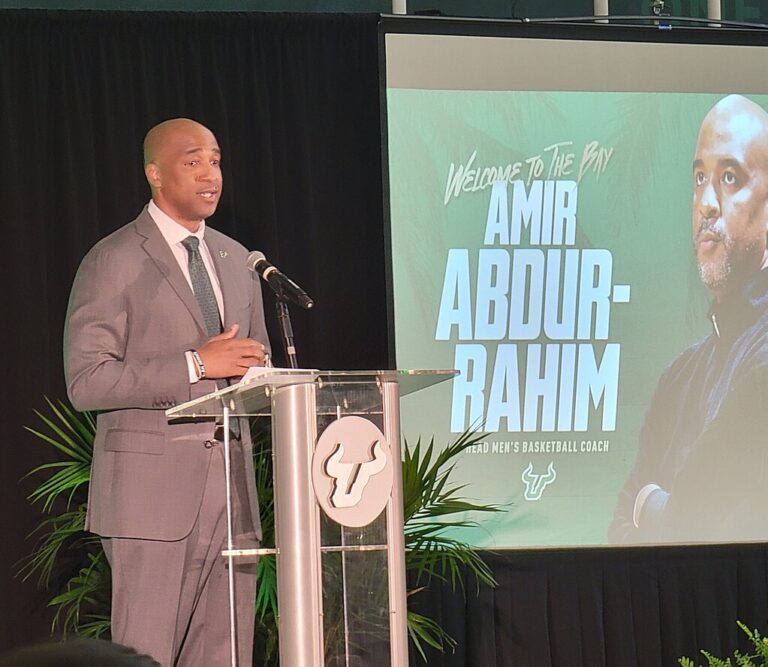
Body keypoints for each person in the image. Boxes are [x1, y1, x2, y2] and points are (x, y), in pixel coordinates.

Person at [64, 118, 271, 665]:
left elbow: (252, 361)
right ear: (155, 174)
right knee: (145, 653)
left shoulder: (238, 259)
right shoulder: (113, 259)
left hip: (233, 494)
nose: (211, 174)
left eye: (216, 160)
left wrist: (261, 374)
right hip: (151, 500)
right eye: (193, 161)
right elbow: (87, 381)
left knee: (227, 652)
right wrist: (196, 363)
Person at [609, 94, 768, 544]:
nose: (707, 203)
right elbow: (620, 532)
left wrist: (653, 506)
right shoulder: (678, 378)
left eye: (730, 177)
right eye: (700, 178)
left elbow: (699, 514)